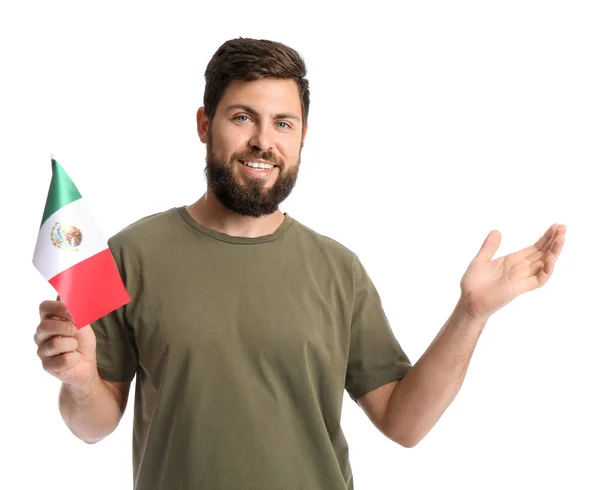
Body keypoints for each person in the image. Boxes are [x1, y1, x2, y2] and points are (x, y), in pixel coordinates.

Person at [34, 38, 566, 490]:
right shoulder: (131, 255)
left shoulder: (338, 269)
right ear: (204, 123)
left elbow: (404, 423)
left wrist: (471, 313)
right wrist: (79, 380)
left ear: (303, 135)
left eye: (283, 123)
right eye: (243, 117)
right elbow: (93, 427)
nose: (264, 141)